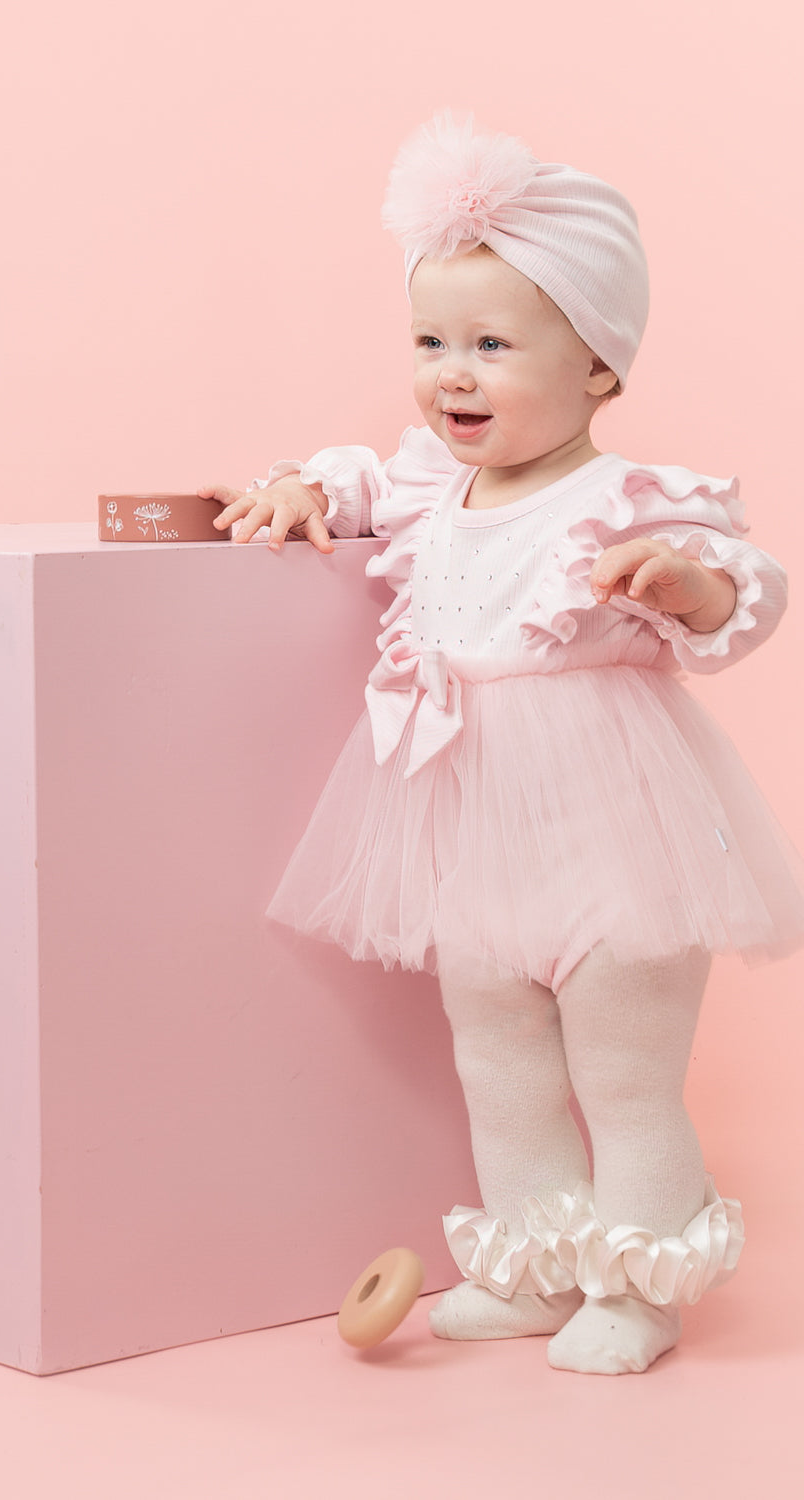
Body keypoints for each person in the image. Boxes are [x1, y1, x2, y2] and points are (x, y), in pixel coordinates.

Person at [199, 113, 804, 1375]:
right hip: (471, 828)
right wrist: (300, 485)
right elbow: (352, 475)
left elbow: (744, 585)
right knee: (501, 1061)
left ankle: (639, 1275)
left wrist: (682, 586)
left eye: (490, 345)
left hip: (616, 829)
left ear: (596, 367)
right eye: (430, 342)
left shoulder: (630, 499)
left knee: (621, 1069)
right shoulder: (433, 483)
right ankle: (532, 1265)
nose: (451, 375)